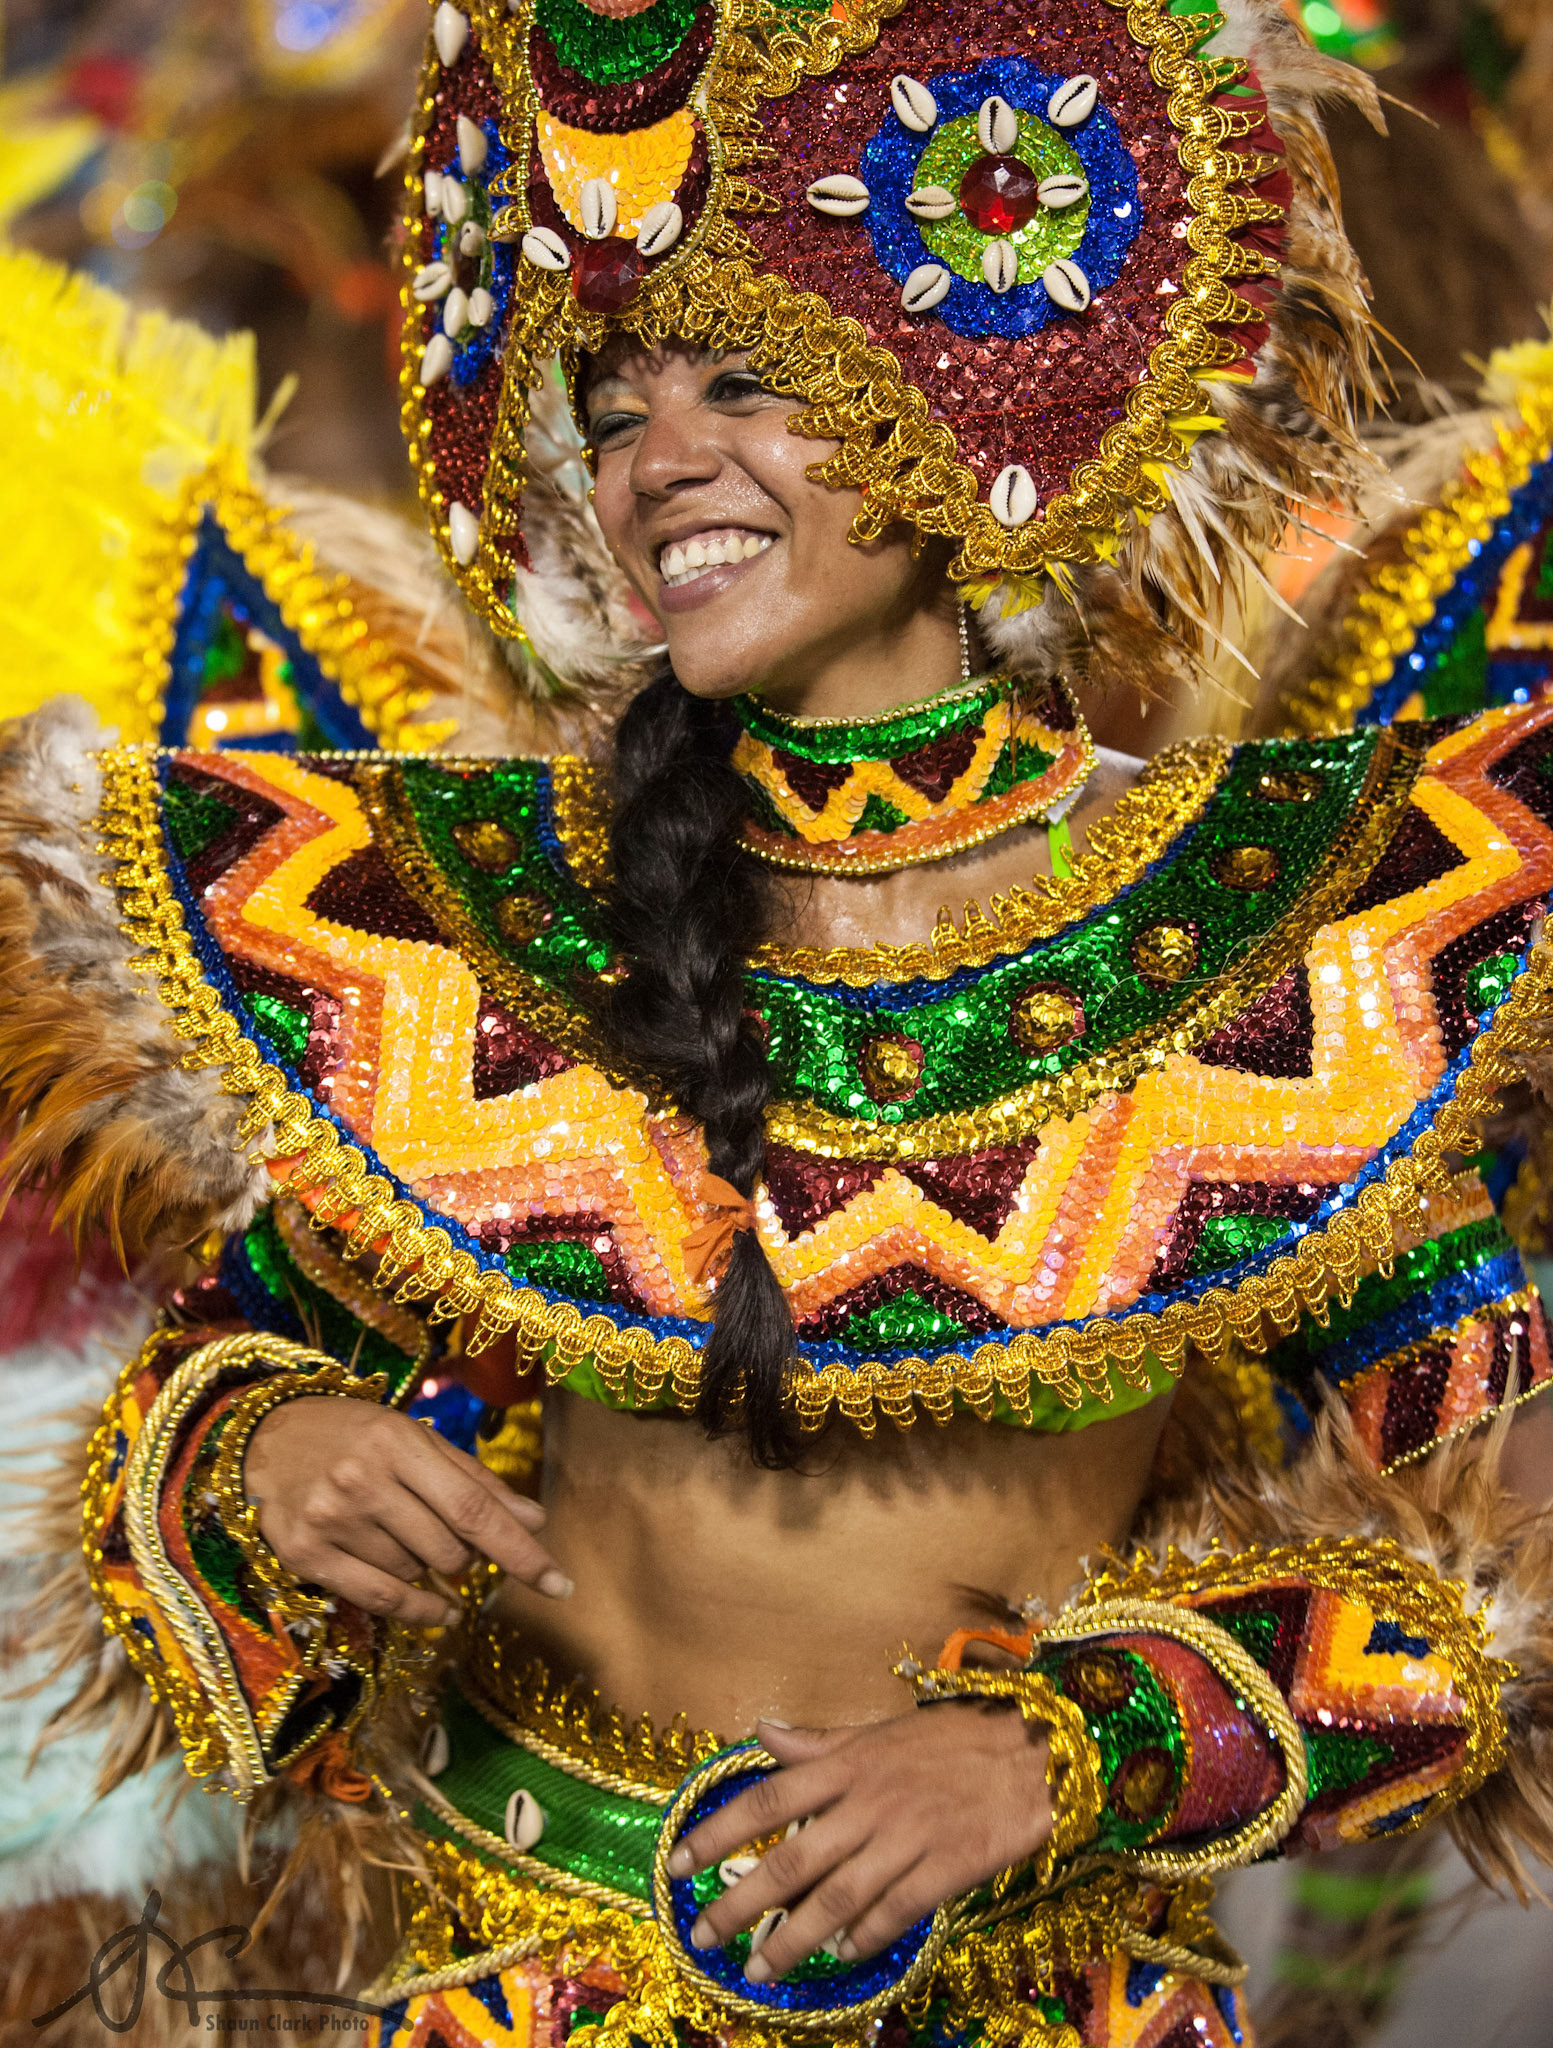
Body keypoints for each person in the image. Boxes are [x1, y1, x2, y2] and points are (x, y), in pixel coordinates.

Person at [6, 3, 1553, 2045]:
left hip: (1036, 2002)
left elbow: (1494, 1575)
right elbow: (221, 1378)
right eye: (617, 407)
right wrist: (261, 1455)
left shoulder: (1279, 934)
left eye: (742, 380)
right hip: (504, 1989)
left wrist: (1063, 1750)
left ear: (943, 405)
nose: (659, 464)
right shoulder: (473, 909)